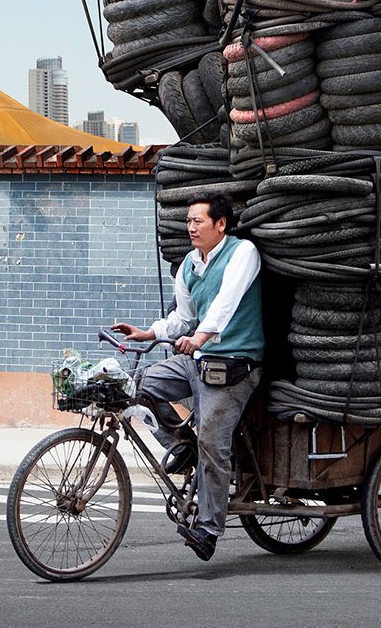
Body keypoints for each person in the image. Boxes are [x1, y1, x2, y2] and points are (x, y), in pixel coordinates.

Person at [112, 192, 263, 561]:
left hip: (235, 365)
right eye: (189, 221)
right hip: (198, 360)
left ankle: (209, 529)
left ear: (221, 224)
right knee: (139, 386)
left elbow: (226, 304)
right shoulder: (189, 266)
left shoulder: (242, 253)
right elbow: (183, 316)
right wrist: (149, 332)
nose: (190, 227)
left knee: (213, 442)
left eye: (198, 221)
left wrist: (200, 336)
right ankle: (180, 445)